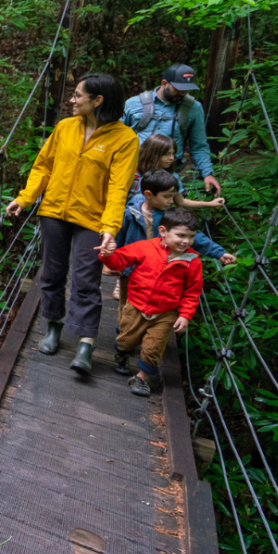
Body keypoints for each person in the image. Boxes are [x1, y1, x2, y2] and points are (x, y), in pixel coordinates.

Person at [6, 73, 139, 376]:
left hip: (93, 220)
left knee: (86, 280)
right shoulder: (65, 127)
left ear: (98, 100)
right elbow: (43, 167)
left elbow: (119, 188)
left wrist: (110, 228)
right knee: (52, 273)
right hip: (54, 212)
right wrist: (25, 198)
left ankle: (85, 343)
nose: (72, 100)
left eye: (78, 95)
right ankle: (54, 326)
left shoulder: (125, 139)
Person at [101, 206, 204, 398]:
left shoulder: (193, 262)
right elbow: (120, 260)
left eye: (191, 236)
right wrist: (107, 255)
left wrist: (185, 315)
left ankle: (141, 377)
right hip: (136, 304)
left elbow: (192, 291)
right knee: (127, 339)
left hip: (166, 312)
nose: (186, 241)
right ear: (163, 231)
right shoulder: (146, 247)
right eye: (181, 235)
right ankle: (122, 353)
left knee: (154, 347)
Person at [111, 168, 237, 304]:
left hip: (160, 271)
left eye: (173, 196)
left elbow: (194, 236)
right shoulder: (130, 214)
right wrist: (115, 262)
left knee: (155, 304)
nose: (171, 201)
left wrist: (219, 253)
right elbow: (118, 239)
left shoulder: (171, 217)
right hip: (132, 269)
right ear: (148, 194)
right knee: (127, 305)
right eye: (166, 197)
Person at [122, 64, 222, 196]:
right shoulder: (133, 104)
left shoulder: (194, 108)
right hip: (132, 169)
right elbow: (116, 137)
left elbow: (199, 146)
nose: (182, 93)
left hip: (167, 174)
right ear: (164, 83)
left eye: (186, 89)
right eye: (178, 89)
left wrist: (207, 173)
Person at [129, 134, 226, 211]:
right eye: (167, 154)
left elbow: (180, 202)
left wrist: (209, 204)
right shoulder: (131, 171)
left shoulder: (172, 177)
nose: (171, 158)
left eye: (173, 154)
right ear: (152, 154)